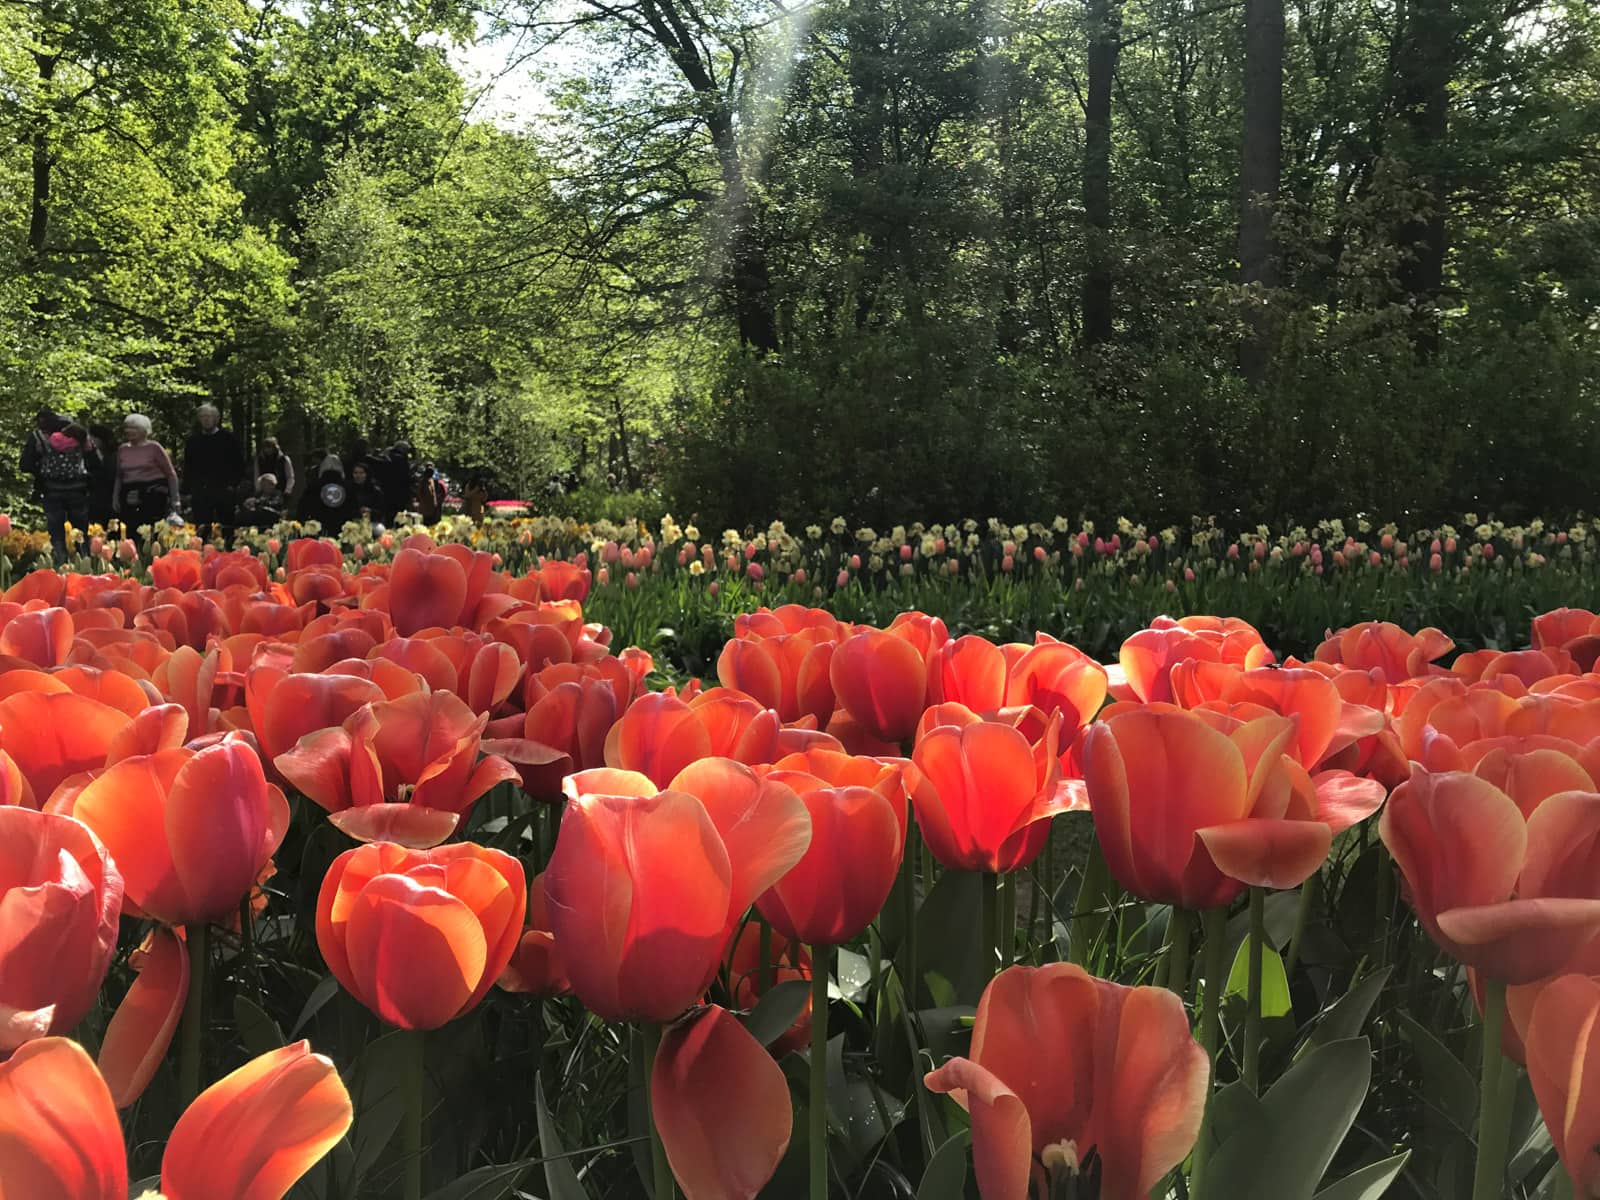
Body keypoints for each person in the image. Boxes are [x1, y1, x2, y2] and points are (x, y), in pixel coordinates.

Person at [35, 422, 99, 561]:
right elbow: (95, 459)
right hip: (77, 490)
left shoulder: (48, 441)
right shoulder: (81, 442)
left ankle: (60, 559)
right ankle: (84, 557)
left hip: (52, 489)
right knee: (80, 527)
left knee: (56, 527)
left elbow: (36, 454)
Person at [183, 403, 246, 537]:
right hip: (201, 490)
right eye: (203, 416)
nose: (206, 419)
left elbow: (239, 464)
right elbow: (188, 467)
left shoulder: (228, 439)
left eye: (209, 416)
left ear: (216, 418)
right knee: (201, 528)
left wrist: (233, 484)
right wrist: (187, 490)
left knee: (227, 527)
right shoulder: (193, 441)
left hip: (224, 489)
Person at [112, 414, 180, 535]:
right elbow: (119, 476)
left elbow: (170, 474)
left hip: (153, 493)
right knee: (130, 530)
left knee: (151, 531)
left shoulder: (154, 447)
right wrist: (115, 497)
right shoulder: (123, 449)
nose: (129, 431)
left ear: (144, 430)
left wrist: (175, 499)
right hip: (129, 493)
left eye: (134, 428)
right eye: (127, 427)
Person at [299, 458, 353, 530]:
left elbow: (303, 506)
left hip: (319, 528)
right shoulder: (347, 486)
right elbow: (353, 508)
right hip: (343, 529)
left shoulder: (314, 486)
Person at [87, 423, 118, 526]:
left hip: (111, 498)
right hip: (95, 500)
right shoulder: (89, 455)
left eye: (94, 438)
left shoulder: (114, 456)